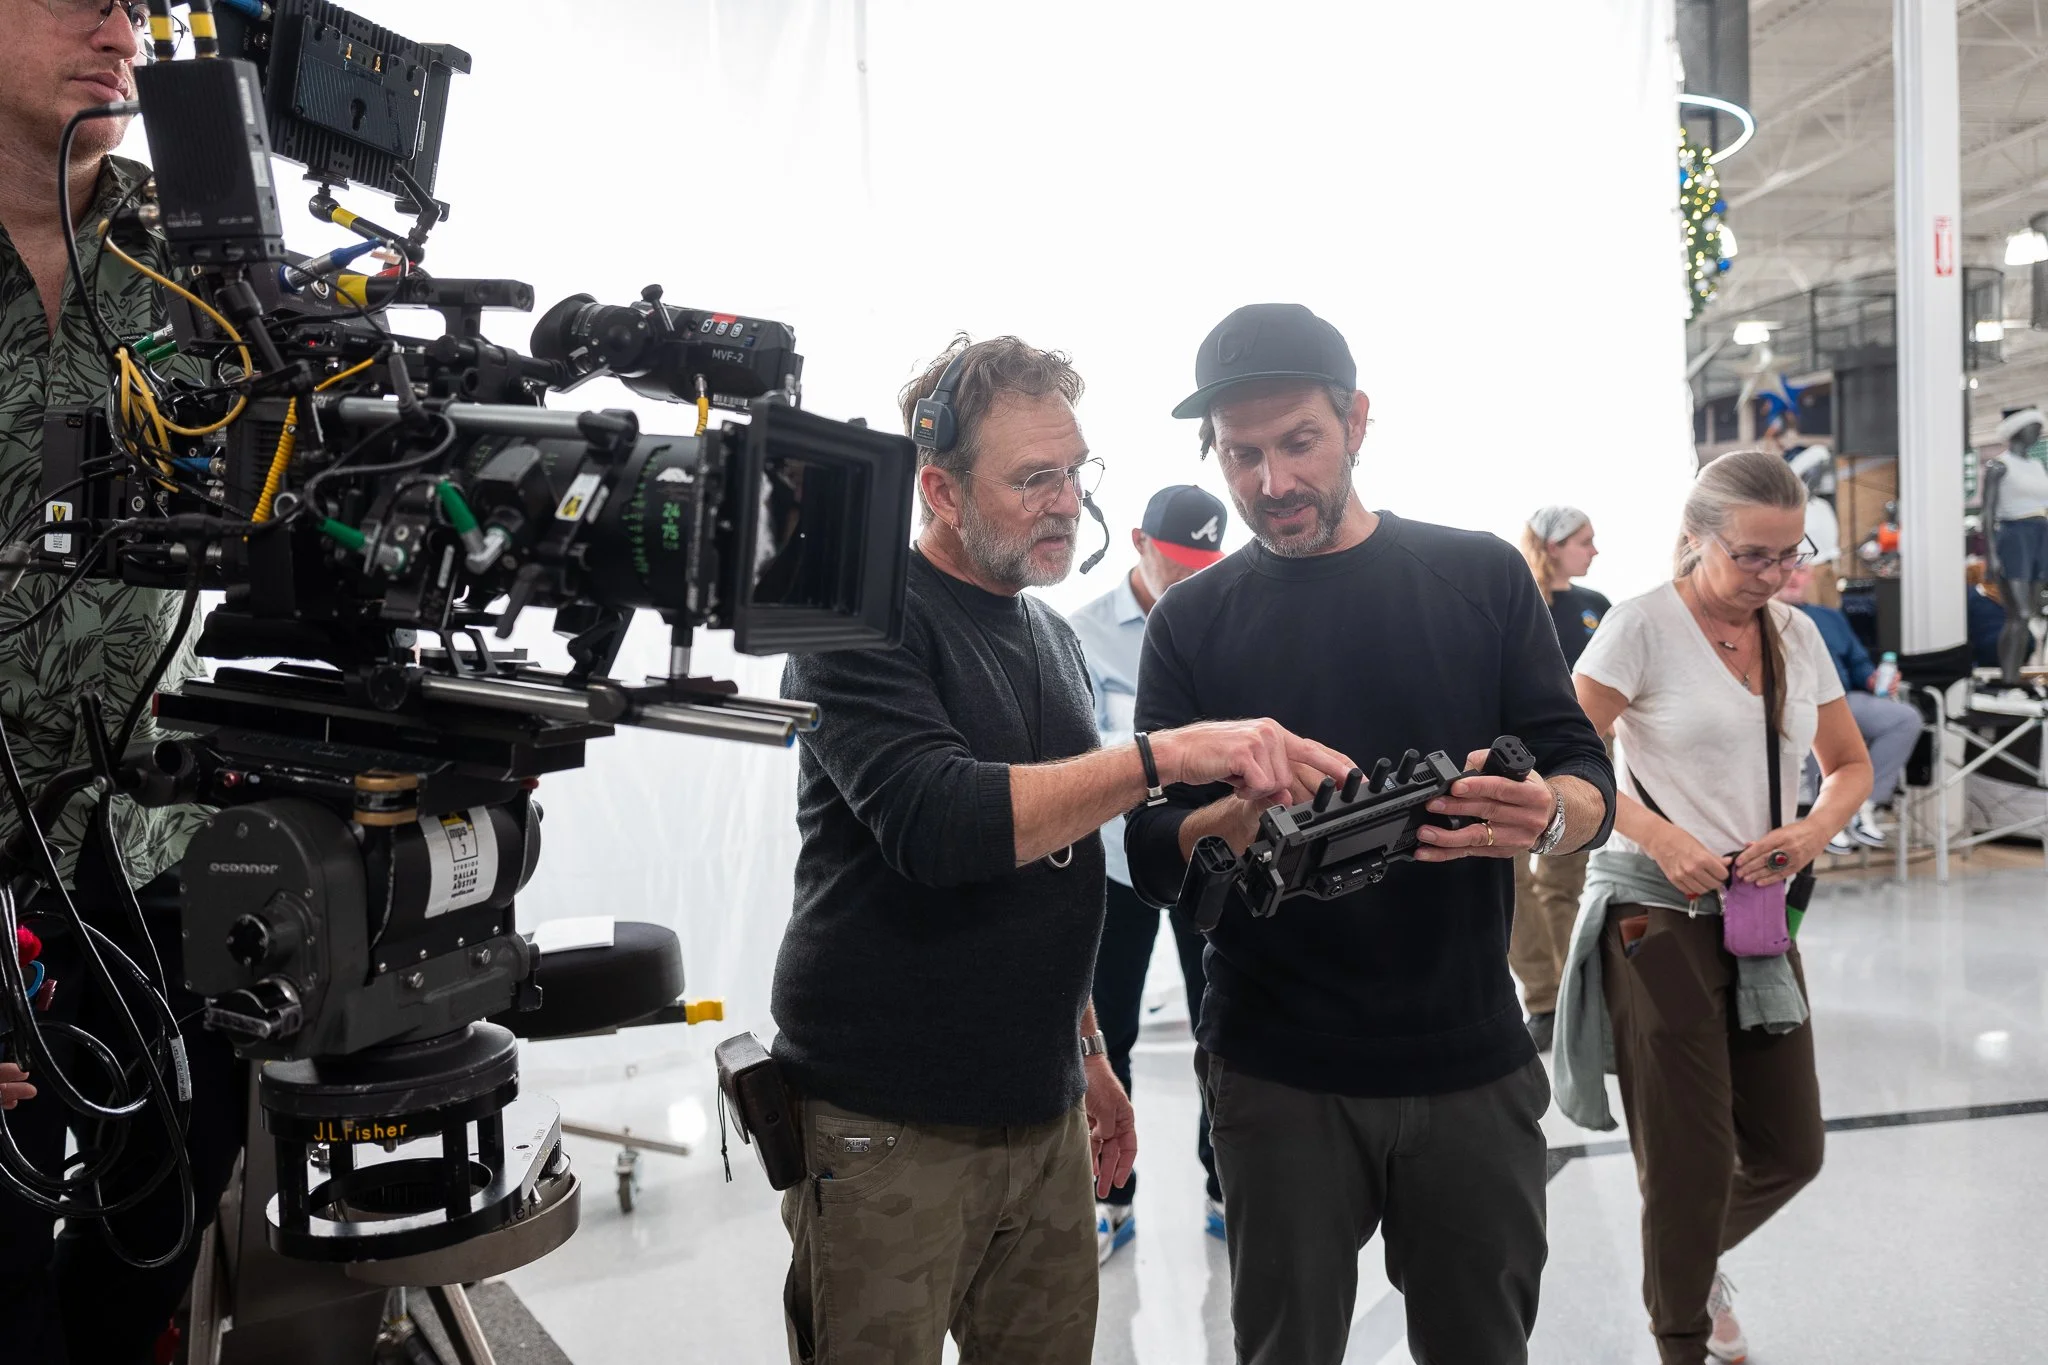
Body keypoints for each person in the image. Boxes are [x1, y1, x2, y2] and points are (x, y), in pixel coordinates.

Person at [771, 334, 1354, 1365]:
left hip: (1039, 1108)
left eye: (1076, 471)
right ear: (940, 490)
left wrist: (1086, 1054)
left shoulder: (1045, 637)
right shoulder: (857, 622)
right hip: (886, 1120)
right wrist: (1164, 755)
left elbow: (1060, 861)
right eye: (1033, 479)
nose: (1066, 503)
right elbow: (940, 823)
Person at [1125, 303, 1617, 1365]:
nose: (1271, 481)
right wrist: (1239, 811)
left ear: (1355, 421)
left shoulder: (1479, 577)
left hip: (1468, 1055)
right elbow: (1150, 857)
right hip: (1275, 1070)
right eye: (1241, 454)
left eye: (1298, 441)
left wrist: (1549, 814)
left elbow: (1584, 770)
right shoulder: (1190, 624)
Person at [1, 6, 245, 1362]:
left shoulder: (206, 248)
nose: (121, 26)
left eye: (140, 0)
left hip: (151, 830)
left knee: (172, 1185)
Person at [1558, 449, 1872, 1365]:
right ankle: (1683, 1335)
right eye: (1752, 555)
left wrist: (1812, 830)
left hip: (1757, 914)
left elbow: (1849, 764)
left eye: (1789, 554)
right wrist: (1660, 837)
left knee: (1791, 1148)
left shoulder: (1796, 635)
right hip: (1653, 916)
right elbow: (1567, 760)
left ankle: (1685, 1262)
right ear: (1697, 539)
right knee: (1687, 1160)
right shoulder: (1640, 627)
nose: (1773, 575)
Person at [1065, 482, 1230, 1261]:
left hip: (1204, 856)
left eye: (1206, 566)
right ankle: (1110, 1196)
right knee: (1111, 1031)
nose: (1191, 581)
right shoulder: (1081, 635)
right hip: (1114, 866)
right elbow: (1073, 762)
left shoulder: (1228, 620)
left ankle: (1225, 1185)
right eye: (1178, 564)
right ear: (1138, 542)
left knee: (1219, 1023)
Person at [1512, 505, 1610, 1050]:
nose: (1594, 550)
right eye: (1584, 541)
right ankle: (1544, 999)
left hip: (1579, 753)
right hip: (1515, 750)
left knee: (1563, 882)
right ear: (1553, 546)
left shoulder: (1597, 606)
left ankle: (1573, 994)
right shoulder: (1519, 600)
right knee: (1513, 882)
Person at [1775, 561, 1919, 853]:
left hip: (1844, 697)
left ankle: (1863, 804)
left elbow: (1858, 662)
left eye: (1801, 569)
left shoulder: (1829, 617)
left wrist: (1872, 679)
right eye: (1787, 568)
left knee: (1905, 718)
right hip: (1793, 703)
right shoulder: (1762, 618)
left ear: (1810, 576)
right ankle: (1828, 816)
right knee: (1812, 721)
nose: (1793, 577)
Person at [1981, 407, 2048, 687]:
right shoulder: (1999, 466)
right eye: (2034, 427)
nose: (2038, 432)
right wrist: (1991, 554)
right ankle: (2007, 679)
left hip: (2040, 535)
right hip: (2013, 536)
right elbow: (1987, 513)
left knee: (2029, 614)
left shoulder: (2037, 466)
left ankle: (2016, 675)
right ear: (2018, 430)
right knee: (2018, 614)